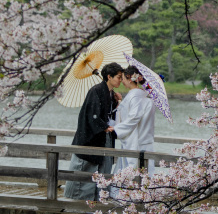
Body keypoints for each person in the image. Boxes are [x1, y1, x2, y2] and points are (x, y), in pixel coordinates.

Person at [63, 62, 123, 200]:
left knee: (103, 168)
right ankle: (79, 198)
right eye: (118, 77)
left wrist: (116, 101)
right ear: (109, 76)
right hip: (92, 136)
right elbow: (91, 115)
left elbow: (108, 113)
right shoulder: (95, 91)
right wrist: (103, 126)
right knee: (85, 168)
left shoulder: (109, 93)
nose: (120, 80)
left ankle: (100, 198)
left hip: (104, 137)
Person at [108, 65, 156, 187]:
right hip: (144, 140)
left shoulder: (134, 96)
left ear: (130, 78)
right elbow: (131, 115)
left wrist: (117, 129)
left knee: (131, 176)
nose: (121, 81)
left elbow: (134, 117)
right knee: (144, 176)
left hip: (136, 142)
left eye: (123, 77)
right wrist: (120, 102)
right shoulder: (144, 97)